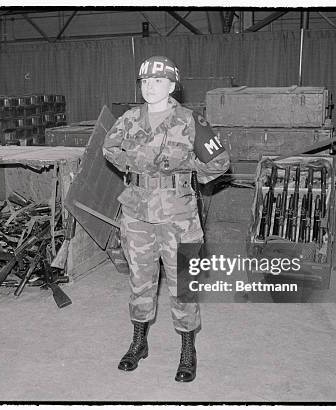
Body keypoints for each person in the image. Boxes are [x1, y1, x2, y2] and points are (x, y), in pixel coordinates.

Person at [102, 56, 230, 382]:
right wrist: (136, 164)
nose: (150, 87)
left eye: (158, 81)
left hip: (179, 216)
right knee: (141, 282)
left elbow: (219, 162)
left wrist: (187, 173)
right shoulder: (129, 119)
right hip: (137, 214)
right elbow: (109, 148)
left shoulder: (191, 121)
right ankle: (139, 343)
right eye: (145, 81)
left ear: (172, 85)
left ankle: (188, 350)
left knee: (183, 285)